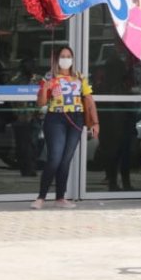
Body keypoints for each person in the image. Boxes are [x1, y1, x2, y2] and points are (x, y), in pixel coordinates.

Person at [33, 46, 99, 209]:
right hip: (56, 118)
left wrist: (95, 122)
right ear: (57, 59)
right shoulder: (50, 76)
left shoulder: (79, 77)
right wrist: (46, 89)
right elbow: (40, 103)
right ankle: (41, 197)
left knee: (66, 160)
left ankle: (60, 197)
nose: (66, 59)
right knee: (54, 158)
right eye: (63, 56)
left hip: (76, 119)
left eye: (69, 56)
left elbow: (89, 99)